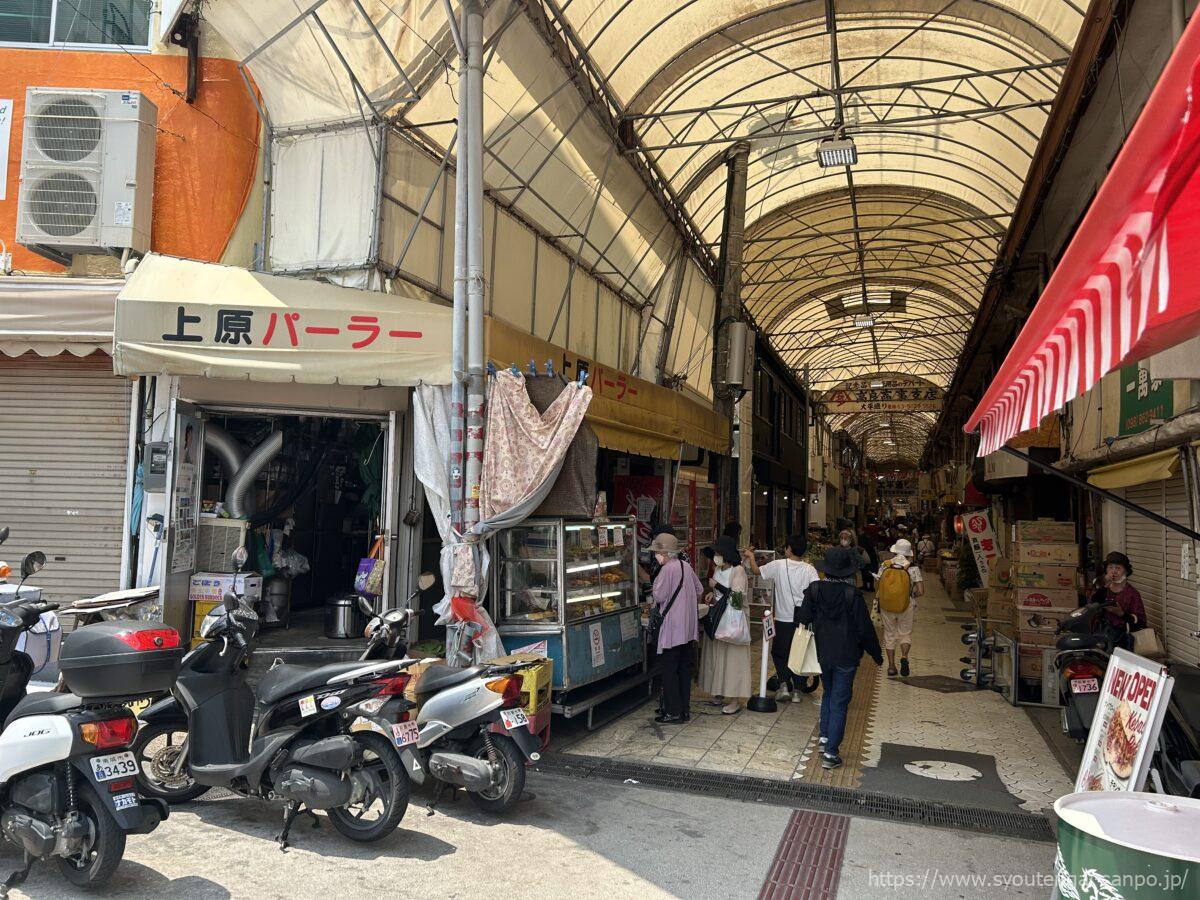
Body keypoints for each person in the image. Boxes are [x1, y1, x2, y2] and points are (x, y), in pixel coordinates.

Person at [797, 546, 883, 770]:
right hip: (846, 656)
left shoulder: (814, 590)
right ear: (847, 572)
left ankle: (825, 739)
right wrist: (877, 655)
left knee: (828, 694)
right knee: (839, 701)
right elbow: (865, 629)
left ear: (827, 570)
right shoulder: (851, 595)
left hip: (822, 653)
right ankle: (831, 754)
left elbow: (803, 617)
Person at [743, 534, 819, 702]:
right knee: (800, 653)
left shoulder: (778, 565)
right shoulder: (810, 569)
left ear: (789, 549)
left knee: (780, 652)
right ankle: (798, 691)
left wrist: (750, 556)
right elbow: (815, 591)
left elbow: (756, 571)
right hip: (803, 620)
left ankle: (784, 686)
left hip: (783, 619)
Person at [647, 532, 703, 724]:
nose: (655, 556)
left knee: (669, 671)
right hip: (687, 630)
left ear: (665, 553)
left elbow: (659, 596)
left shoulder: (666, 570)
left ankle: (673, 712)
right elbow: (699, 590)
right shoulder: (685, 566)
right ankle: (684, 710)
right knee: (683, 670)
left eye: (657, 552)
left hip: (672, 630)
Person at [699, 534, 752, 715]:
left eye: (718, 553)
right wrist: (712, 594)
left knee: (732, 660)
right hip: (719, 620)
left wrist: (718, 588)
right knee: (717, 657)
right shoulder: (718, 570)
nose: (715, 557)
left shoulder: (738, 571)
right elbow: (720, 595)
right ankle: (719, 692)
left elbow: (737, 599)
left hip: (732, 623)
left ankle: (735, 699)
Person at [875, 538, 924, 677]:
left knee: (890, 634)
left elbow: (877, 582)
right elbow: (921, 591)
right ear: (909, 553)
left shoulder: (885, 565)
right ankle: (904, 657)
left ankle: (891, 667)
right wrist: (910, 595)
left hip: (886, 605)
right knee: (905, 633)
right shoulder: (912, 568)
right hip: (906, 605)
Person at [1089, 551, 1146, 647]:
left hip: (1123, 641)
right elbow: (1092, 604)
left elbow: (1141, 623)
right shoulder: (1102, 589)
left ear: (1126, 572)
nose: (1113, 571)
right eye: (1110, 567)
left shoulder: (1132, 594)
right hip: (1101, 637)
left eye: (1118, 568)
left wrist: (1121, 613)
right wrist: (1103, 585)